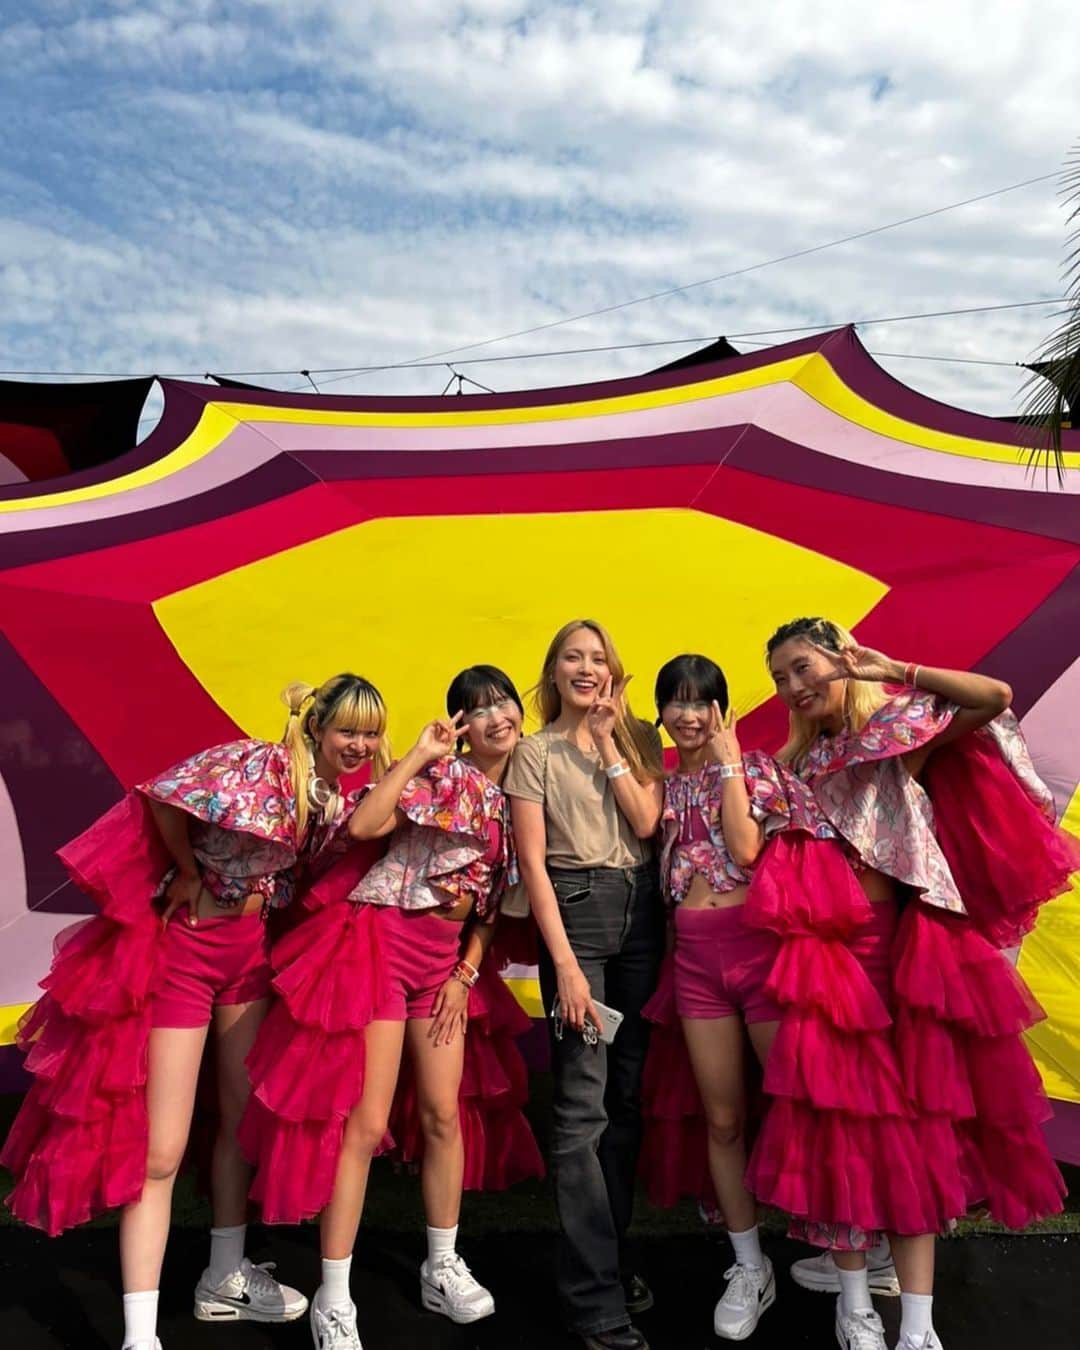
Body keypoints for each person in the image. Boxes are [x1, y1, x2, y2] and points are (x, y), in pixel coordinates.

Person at [2, 674, 387, 1350]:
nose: (361, 744)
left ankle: (222, 1277)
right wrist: (183, 868)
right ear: (320, 727)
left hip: (249, 959)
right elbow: (161, 797)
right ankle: (140, 1335)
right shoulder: (253, 762)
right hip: (187, 955)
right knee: (161, 1149)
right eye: (350, 729)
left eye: (373, 731)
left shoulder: (329, 798)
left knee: (239, 1123)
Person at [758, 618, 1073, 1350]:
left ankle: (919, 1328)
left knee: (915, 1134)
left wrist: (896, 666)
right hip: (829, 970)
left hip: (906, 963)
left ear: (840, 660)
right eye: (781, 679)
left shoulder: (897, 737)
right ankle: (854, 1306)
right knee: (834, 1129)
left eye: (803, 668)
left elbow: (992, 696)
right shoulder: (798, 767)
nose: (794, 688)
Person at [239, 665, 543, 1350]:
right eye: (478, 707)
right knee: (365, 1121)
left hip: (442, 964)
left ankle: (442, 1265)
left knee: (443, 1112)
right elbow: (367, 823)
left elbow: (493, 908)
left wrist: (466, 972)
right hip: (379, 944)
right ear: (461, 722)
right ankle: (334, 1295)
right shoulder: (446, 777)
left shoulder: (521, 799)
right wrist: (416, 758)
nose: (495, 716)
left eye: (503, 704)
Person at [506, 620, 665, 1350]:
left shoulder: (635, 737)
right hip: (575, 913)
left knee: (626, 1101)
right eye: (573, 656)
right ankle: (594, 1301)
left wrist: (607, 742)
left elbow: (646, 820)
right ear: (552, 670)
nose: (587, 667)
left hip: (641, 916)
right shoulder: (532, 753)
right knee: (581, 1105)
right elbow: (534, 865)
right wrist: (564, 964)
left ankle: (609, 1259)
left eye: (599, 658)